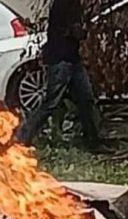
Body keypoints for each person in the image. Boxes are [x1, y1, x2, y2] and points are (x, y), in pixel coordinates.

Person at [15, 0, 101, 150]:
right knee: (51, 103)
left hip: (72, 59)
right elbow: (76, 32)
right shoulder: (65, 4)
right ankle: (22, 139)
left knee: (85, 100)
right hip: (60, 59)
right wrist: (84, 31)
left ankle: (93, 142)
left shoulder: (71, 4)